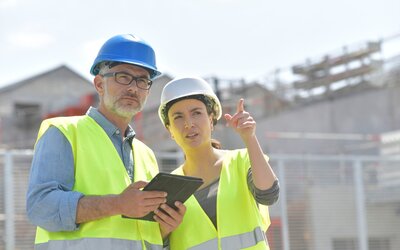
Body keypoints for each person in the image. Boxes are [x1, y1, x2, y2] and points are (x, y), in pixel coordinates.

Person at [26, 34, 186, 250]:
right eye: (123, 77)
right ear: (99, 84)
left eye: (142, 80)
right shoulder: (64, 132)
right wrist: (117, 204)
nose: (133, 88)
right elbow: (41, 208)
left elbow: (138, 234)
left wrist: (165, 228)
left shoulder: (145, 154)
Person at [158, 76, 279, 250]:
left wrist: (249, 138)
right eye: (178, 117)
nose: (188, 124)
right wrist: (163, 232)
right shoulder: (168, 189)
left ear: (211, 119)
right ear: (169, 129)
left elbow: (269, 195)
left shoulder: (242, 161)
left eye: (196, 113)